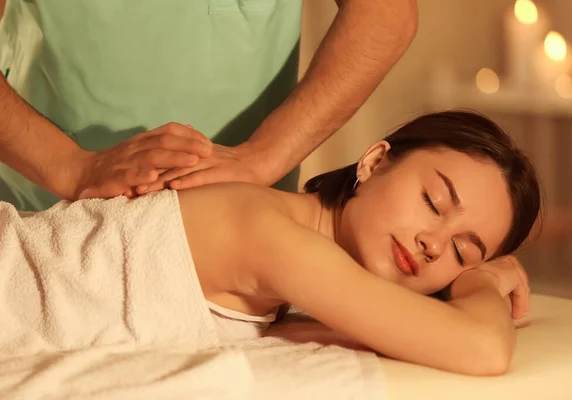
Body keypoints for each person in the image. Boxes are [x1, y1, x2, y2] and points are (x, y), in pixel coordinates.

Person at [0, 111, 541, 376]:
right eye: (433, 202)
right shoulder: (270, 234)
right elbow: (483, 348)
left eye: (463, 251)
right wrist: (482, 278)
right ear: (375, 161)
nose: (432, 244)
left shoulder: (295, 264)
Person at [0, 0, 418, 210]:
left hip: (230, 228)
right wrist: (69, 167)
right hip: (39, 216)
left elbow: (385, 13)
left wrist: (262, 158)